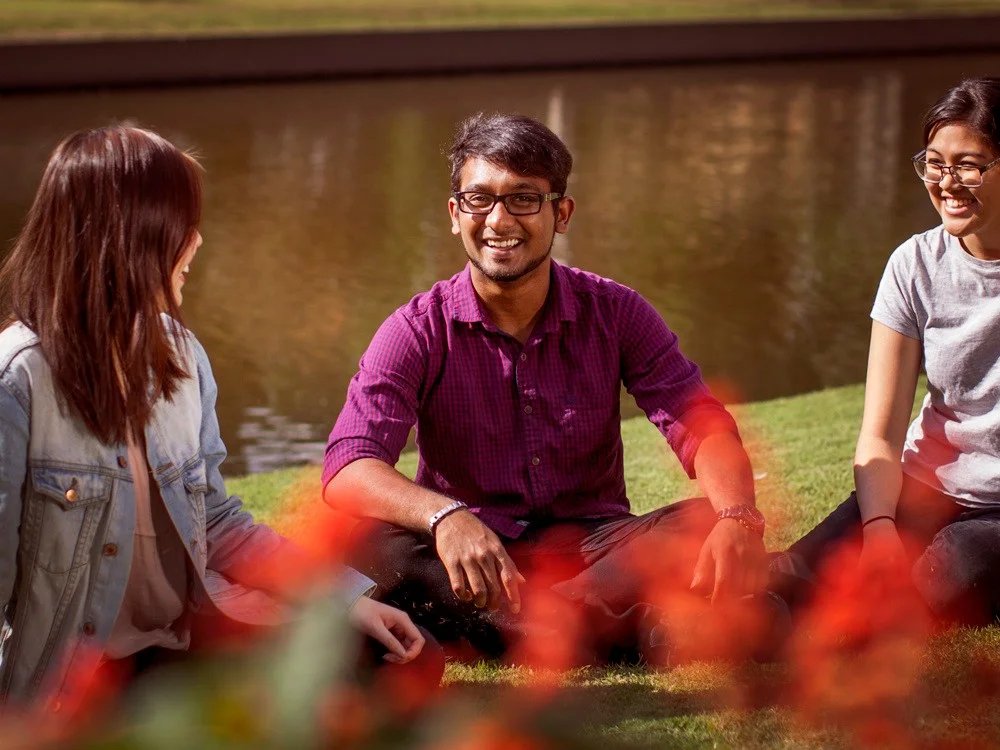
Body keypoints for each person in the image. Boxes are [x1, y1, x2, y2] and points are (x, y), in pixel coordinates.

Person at [0, 125, 440, 715]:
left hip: (183, 641)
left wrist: (345, 600)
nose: (197, 240)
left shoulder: (180, 357)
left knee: (409, 654)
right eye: (182, 222)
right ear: (134, 236)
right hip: (76, 681)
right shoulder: (18, 380)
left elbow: (220, 526)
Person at [324, 113, 779, 666]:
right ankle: (611, 628)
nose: (498, 219)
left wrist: (736, 516)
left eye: (523, 199)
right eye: (479, 199)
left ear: (560, 213)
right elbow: (348, 465)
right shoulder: (416, 329)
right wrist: (446, 517)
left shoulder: (616, 311)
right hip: (472, 554)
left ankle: (522, 628)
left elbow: (701, 424)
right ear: (454, 213)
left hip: (593, 551)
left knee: (702, 521)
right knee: (367, 540)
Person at [771, 77, 1000, 627]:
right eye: (935, 164)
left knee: (937, 579)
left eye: (968, 165)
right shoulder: (914, 264)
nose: (948, 183)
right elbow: (880, 433)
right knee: (790, 572)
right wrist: (878, 527)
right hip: (923, 486)